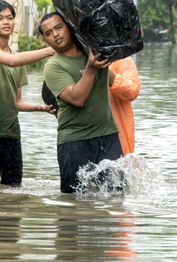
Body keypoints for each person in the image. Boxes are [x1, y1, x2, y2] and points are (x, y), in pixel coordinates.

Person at [0, 0, 55, 186]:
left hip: (11, 135)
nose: (6, 22)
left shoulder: (18, 58)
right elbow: (11, 61)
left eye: (10, 18)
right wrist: (50, 50)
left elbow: (17, 102)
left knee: (13, 190)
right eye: (0, 18)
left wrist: (39, 108)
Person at [39, 12, 122, 193]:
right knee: (73, 204)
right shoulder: (53, 67)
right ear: (46, 42)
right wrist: (91, 68)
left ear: (69, 26)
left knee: (115, 198)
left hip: (108, 137)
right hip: (74, 142)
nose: (55, 34)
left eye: (59, 27)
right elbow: (77, 99)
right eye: (48, 33)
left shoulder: (94, 51)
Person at [108, 57, 141, 155]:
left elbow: (132, 91)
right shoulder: (72, 59)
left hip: (118, 139)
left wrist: (104, 72)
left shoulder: (122, 60)